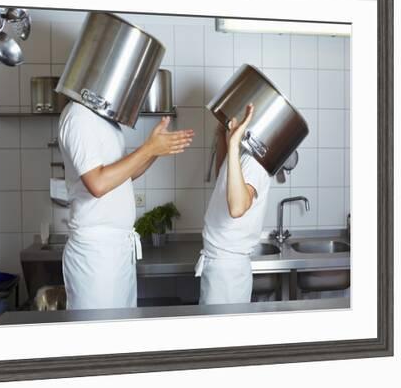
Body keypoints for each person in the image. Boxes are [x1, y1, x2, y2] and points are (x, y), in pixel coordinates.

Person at [58, 101, 194, 310]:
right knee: (97, 336)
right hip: (96, 256)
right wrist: (148, 148)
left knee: (120, 336)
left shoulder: (105, 118)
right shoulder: (79, 115)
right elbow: (98, 183)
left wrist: (155, 150)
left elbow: (125, 175)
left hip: (118, 252)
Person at [195, 103, 271, 304]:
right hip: (218, 266)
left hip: (228, 273)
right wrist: (223, 137)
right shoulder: (241, 155)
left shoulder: (256, 162)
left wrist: (234, 142)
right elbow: (224, 177)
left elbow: (237, 207)